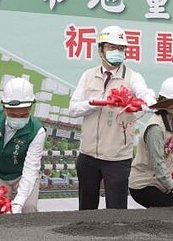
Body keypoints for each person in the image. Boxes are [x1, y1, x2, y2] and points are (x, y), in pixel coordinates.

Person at [68, 25, 156, 210]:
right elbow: (73, 109)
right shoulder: (88, 76)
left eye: (121, 48)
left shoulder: (132, 77)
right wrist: (94, 103)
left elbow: (149, 99)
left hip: (117, 158)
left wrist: (139, 103)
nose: (117, 52)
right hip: (88, 155)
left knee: (116, 213)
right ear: (100, 50)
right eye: (111, 47)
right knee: (86, 210)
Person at [0, 77, 46, 214]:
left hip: (22, 175)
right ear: (4, 107)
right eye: (13, 114)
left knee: (28, 208)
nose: (18, 118)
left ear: (31, 107)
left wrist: (18, 203)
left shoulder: (37, 131)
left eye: (24, 114)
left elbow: (30, 169)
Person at [129, 77, 173, 208]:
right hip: (145, 184)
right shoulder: (156, 128)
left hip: (160, 183)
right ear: (164, 102)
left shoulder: (172, 122)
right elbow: (158, 163)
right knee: (171, 210)